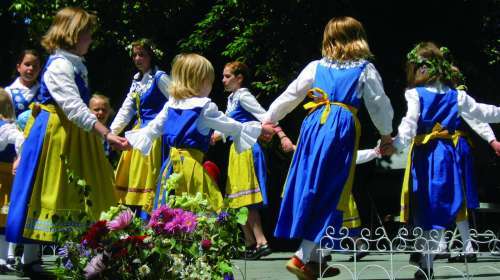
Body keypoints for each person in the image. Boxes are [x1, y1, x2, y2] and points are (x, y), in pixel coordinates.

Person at [263, 16, 394, 279]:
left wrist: (269, 119)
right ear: (358, 38)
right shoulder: (364, 69)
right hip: (340, 129)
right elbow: (379, 104)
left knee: (312, 186)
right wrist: (386, 136)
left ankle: (316, 260)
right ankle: (302, 256)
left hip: (313, 127)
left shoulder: (316, 67)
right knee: (332, 190)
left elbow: (291, 94)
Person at [5, 7, 127, 276]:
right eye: (87, 34)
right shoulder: (59, 65)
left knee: (81, 191)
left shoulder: (73, 62)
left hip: (75, 134)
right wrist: (105, 132)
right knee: (47, 188)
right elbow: (72, 106)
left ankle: (90, 255)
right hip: (57, 133)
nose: (90, 40)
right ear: (72, 35)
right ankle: (31, 260)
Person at [392, 41, 500, 279]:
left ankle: (428, 260)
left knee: (433, 205)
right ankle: (428, 258)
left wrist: (396, 144)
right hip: (436, 155)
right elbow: (483, 112)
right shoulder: (449, 96)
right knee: (431, 206)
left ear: (423, 68)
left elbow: (409, 124)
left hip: (431, 155)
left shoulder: (431, 94)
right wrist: (398, 143)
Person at [124, 53, 273, 213]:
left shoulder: (171, 105)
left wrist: (128, 142)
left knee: (169, 211)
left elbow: (151, 129)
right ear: (201, 82)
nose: (211, 87)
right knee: (199, 211)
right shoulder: (204, 107)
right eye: (210, 81)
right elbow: (233, 126)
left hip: (169, 169)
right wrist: (260, 128)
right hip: (191, 169)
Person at [211, 61, 294, 260]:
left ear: (239, 78)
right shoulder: (232, 99)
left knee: (247, 199)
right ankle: (250, 242)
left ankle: (261, 241)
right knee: (237, 199)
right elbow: (229, 124)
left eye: (227, 76)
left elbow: (266, 117)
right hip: (236, 150)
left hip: (246, 149)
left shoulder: (244, 96)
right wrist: (217, 134)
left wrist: (281, 135)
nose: (223, 80)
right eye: (223, 76)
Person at [110, 38, 170, 215]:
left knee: (149, 180)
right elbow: (126, 109)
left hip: (154, 135)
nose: (137, 58)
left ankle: (150, 220)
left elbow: (176, 101)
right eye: (135, 55)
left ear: (150, 56)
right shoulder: (137, 80)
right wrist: (111, 132)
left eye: (142, 55)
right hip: (138, 133)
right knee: (133, 179)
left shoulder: (160, 77)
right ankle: (132, 225)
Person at [0, 88, 24, 273]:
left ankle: (3, 256)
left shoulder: (7, 126)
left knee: (4, 215)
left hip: (5, 175)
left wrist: (19, 157)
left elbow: (21, 140)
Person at [89, 94, 120, 165]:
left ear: (109, 112)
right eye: (96, 109)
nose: (101, 112)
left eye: (104, 110)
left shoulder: (113, 134)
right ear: (89, 111)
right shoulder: (84, 134)